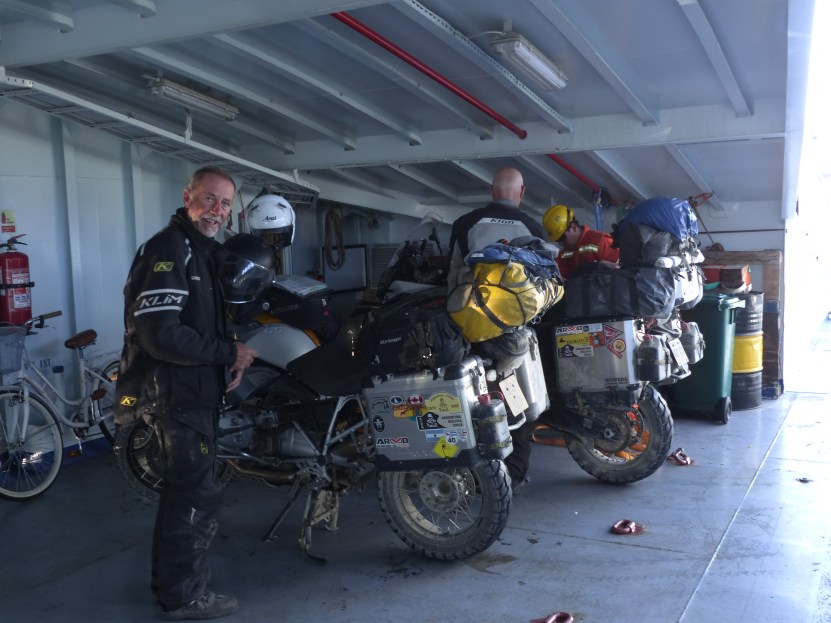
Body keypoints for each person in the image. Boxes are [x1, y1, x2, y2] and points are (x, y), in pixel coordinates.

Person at [115, 166, 258, 621]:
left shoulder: (202, 251)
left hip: (193, 390)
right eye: (209, 199)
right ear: (188, 196)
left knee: (185, 493)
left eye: (224, 204)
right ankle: (183, 597)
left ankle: (171, 586)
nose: (217, 210)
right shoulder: (168, 250)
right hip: (174, 396)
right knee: (196, 495)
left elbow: (200, 320)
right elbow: (161, 336)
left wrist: (225, 362)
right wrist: (226, 352)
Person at [446, 167, 547, 493]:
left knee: (471, 397)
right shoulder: (533, 227)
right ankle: (514, 472)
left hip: (471, 328)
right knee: (516, 401)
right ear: (521, 192)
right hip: (513, 335)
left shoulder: (465, 224)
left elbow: (450, 279)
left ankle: (476, 472)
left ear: (492, 190)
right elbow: (541, 286)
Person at [543, 204, 619, 279]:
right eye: (557, 240)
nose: (560, 243)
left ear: (573, 228)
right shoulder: (564, 253)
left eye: (561, 238)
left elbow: (618, 271)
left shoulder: (600, 241)